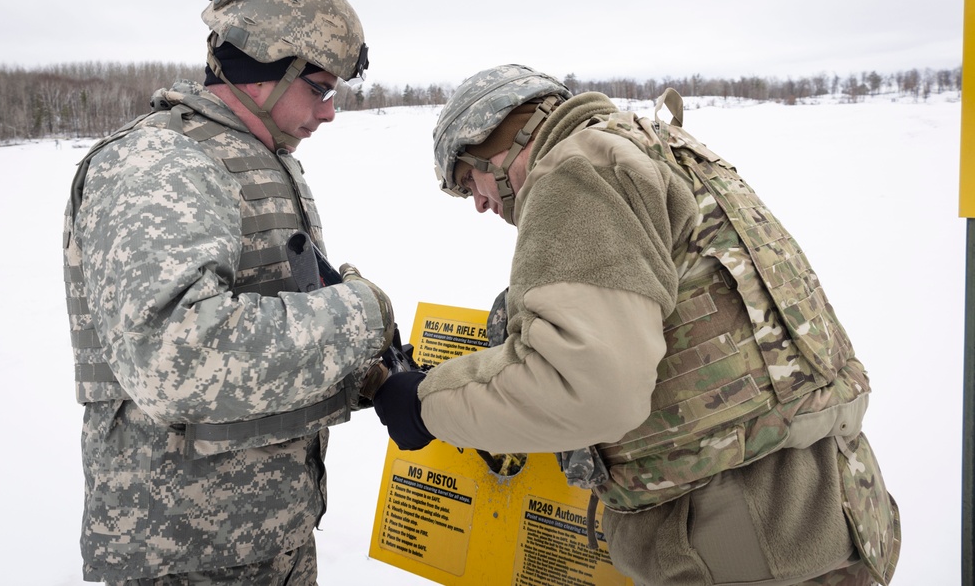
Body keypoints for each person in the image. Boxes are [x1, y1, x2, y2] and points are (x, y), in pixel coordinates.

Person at [373, 64, 901, 585]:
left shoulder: (575, 171)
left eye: (471, 180)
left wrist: (422, 406)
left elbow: (587, 389)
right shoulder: (657, 147)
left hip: (744, 539)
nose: (482, 205)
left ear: (504, 138)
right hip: (834, 503)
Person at [63, 0, 396, 584]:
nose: (328, 113)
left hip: (266, 536)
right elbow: (177, 354)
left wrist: (374, 377)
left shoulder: (257, 156)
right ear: (266, 72)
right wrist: (360, 317)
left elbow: (273, 304)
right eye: (320, 88)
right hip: (185, 553)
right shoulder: (161, 166)